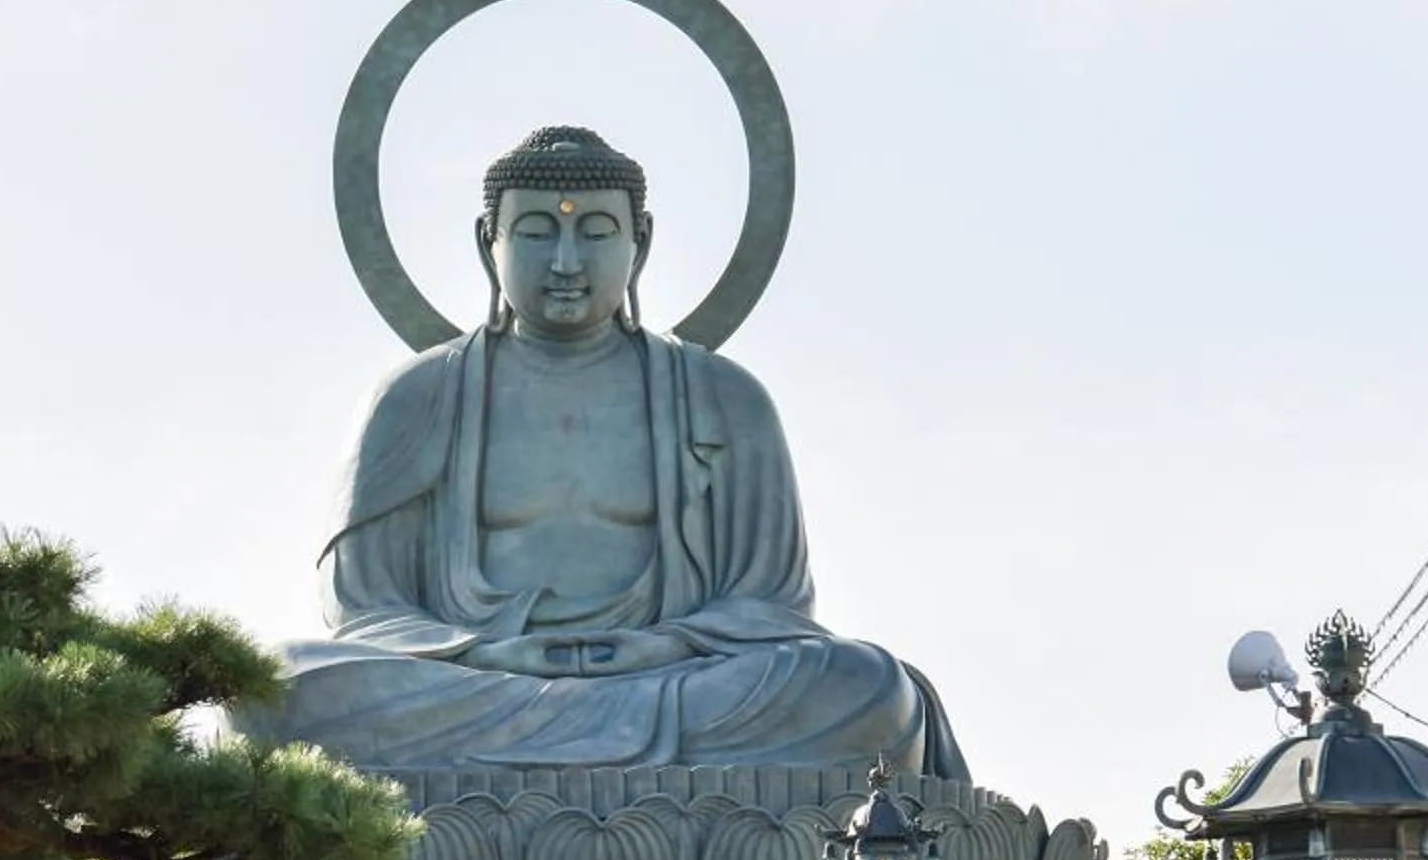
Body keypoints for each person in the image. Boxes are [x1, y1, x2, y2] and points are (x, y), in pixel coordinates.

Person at [243, 127, 971, 778]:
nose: (565, 261)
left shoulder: (723, 398)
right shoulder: (418, 396)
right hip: (479, 683)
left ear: (641, 242)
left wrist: (664, 649)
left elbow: (771, 607)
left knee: (863, 687)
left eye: (595, 232)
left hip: (669, 685)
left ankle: (496, 795)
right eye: (533, 232)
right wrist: (479, 652)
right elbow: (367, 609)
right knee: (278, 690)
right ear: (485, 242)